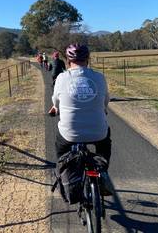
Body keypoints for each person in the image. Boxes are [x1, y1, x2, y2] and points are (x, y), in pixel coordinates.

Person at [48, 44, 113, 193]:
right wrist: (103, 109)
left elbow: (56, 102)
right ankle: (102, 172)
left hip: (69, 133)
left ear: (68, 60)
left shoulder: (61, 78)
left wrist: (56, 108)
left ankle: (64, 175)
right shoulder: (99, 77)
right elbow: (105, 100)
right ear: (88, 59)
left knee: (61, 148)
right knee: (104, 144)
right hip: (98, 131)